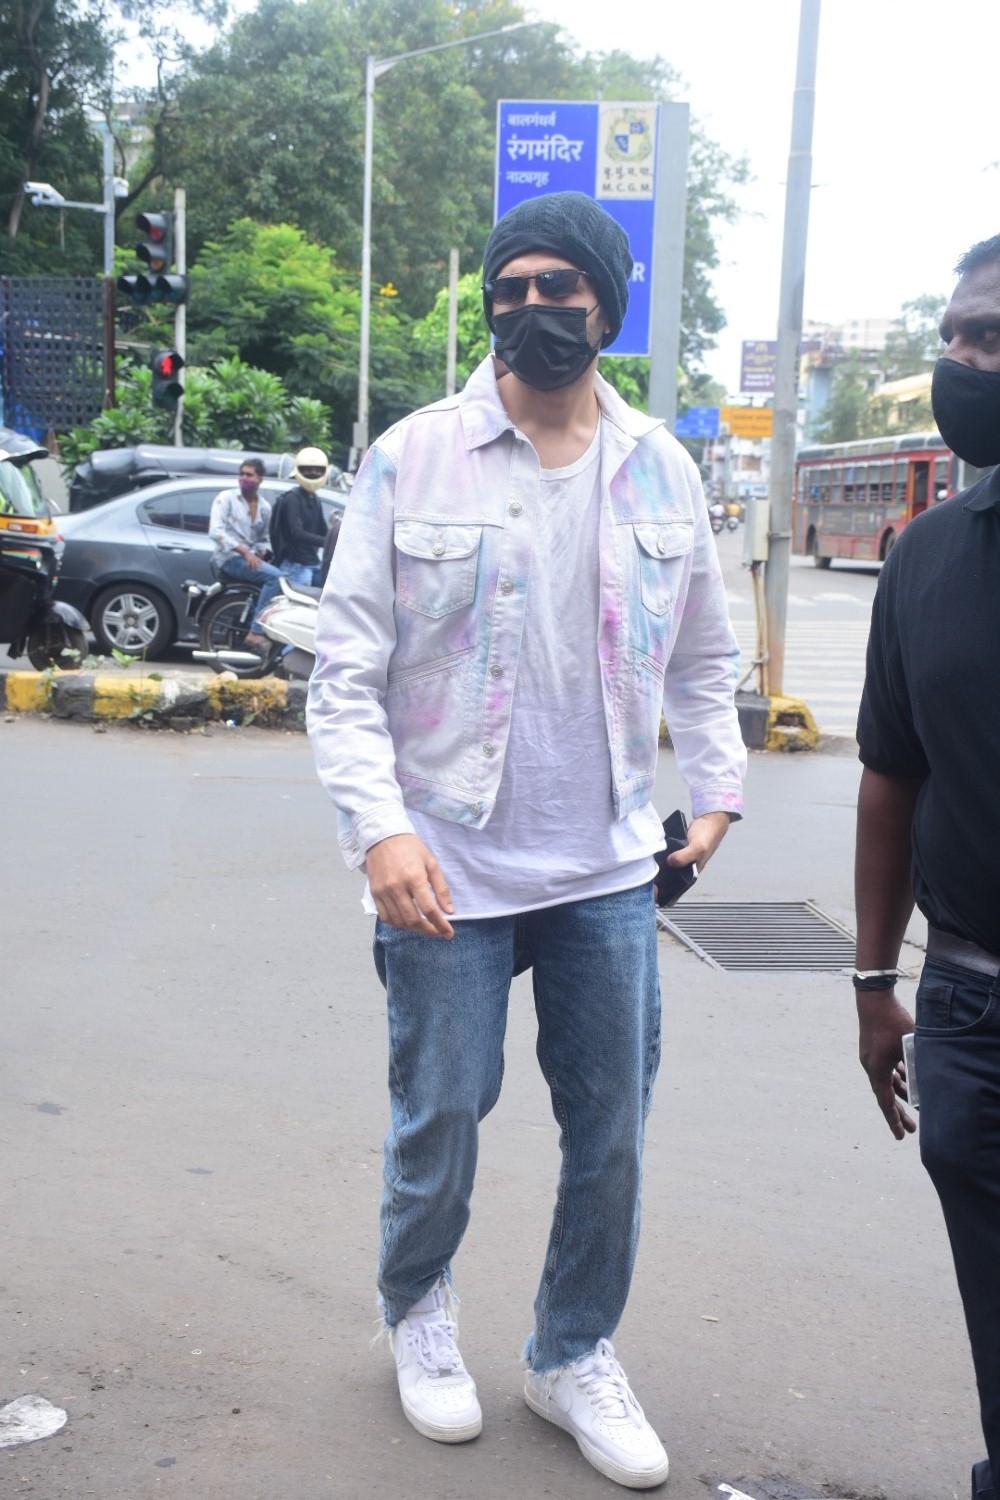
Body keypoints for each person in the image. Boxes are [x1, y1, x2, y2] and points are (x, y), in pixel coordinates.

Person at [308, 191, 746, 1489]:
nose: (537, 307)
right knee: (441, 1112)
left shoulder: (661, 466)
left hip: (607, 862)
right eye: (518, 285)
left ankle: (571, 1353)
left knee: (609, 1126)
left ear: (609, 309)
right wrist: (379, 832)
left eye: (567, 288)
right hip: (445, 860)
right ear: (493, 297)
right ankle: (420, 1313)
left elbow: (708, 664)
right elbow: (343, 674)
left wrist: (712, 802)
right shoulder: (414, 457)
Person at [854, 231, 1000, 1500]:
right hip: (970, 1007)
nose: (964, 361)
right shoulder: (926, 557)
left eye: (991, 337)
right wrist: (868, 984)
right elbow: (890, 778)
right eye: (955, 336)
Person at [208, 457, 281, 647]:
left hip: (249, 558)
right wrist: (245, 552)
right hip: (229, 558)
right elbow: (216, 532)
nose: (244, 478)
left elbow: (264, 538)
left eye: (249, 475)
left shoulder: (264, 507)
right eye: (241, 474)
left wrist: (261, 551)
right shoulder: (226, 499)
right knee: (275, 578)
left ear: (260, 479)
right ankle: (256, 631)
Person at [270, 446, 331, 587]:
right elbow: (297, 533)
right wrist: (326, 542)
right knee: (301, 607)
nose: (313, 473)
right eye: (308, 469)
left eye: (317, 470)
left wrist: (336, 539)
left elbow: (323, 529)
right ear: (299, 470)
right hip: (295, 565)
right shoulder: (292, 498)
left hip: (312, 562)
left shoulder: (314, 498)